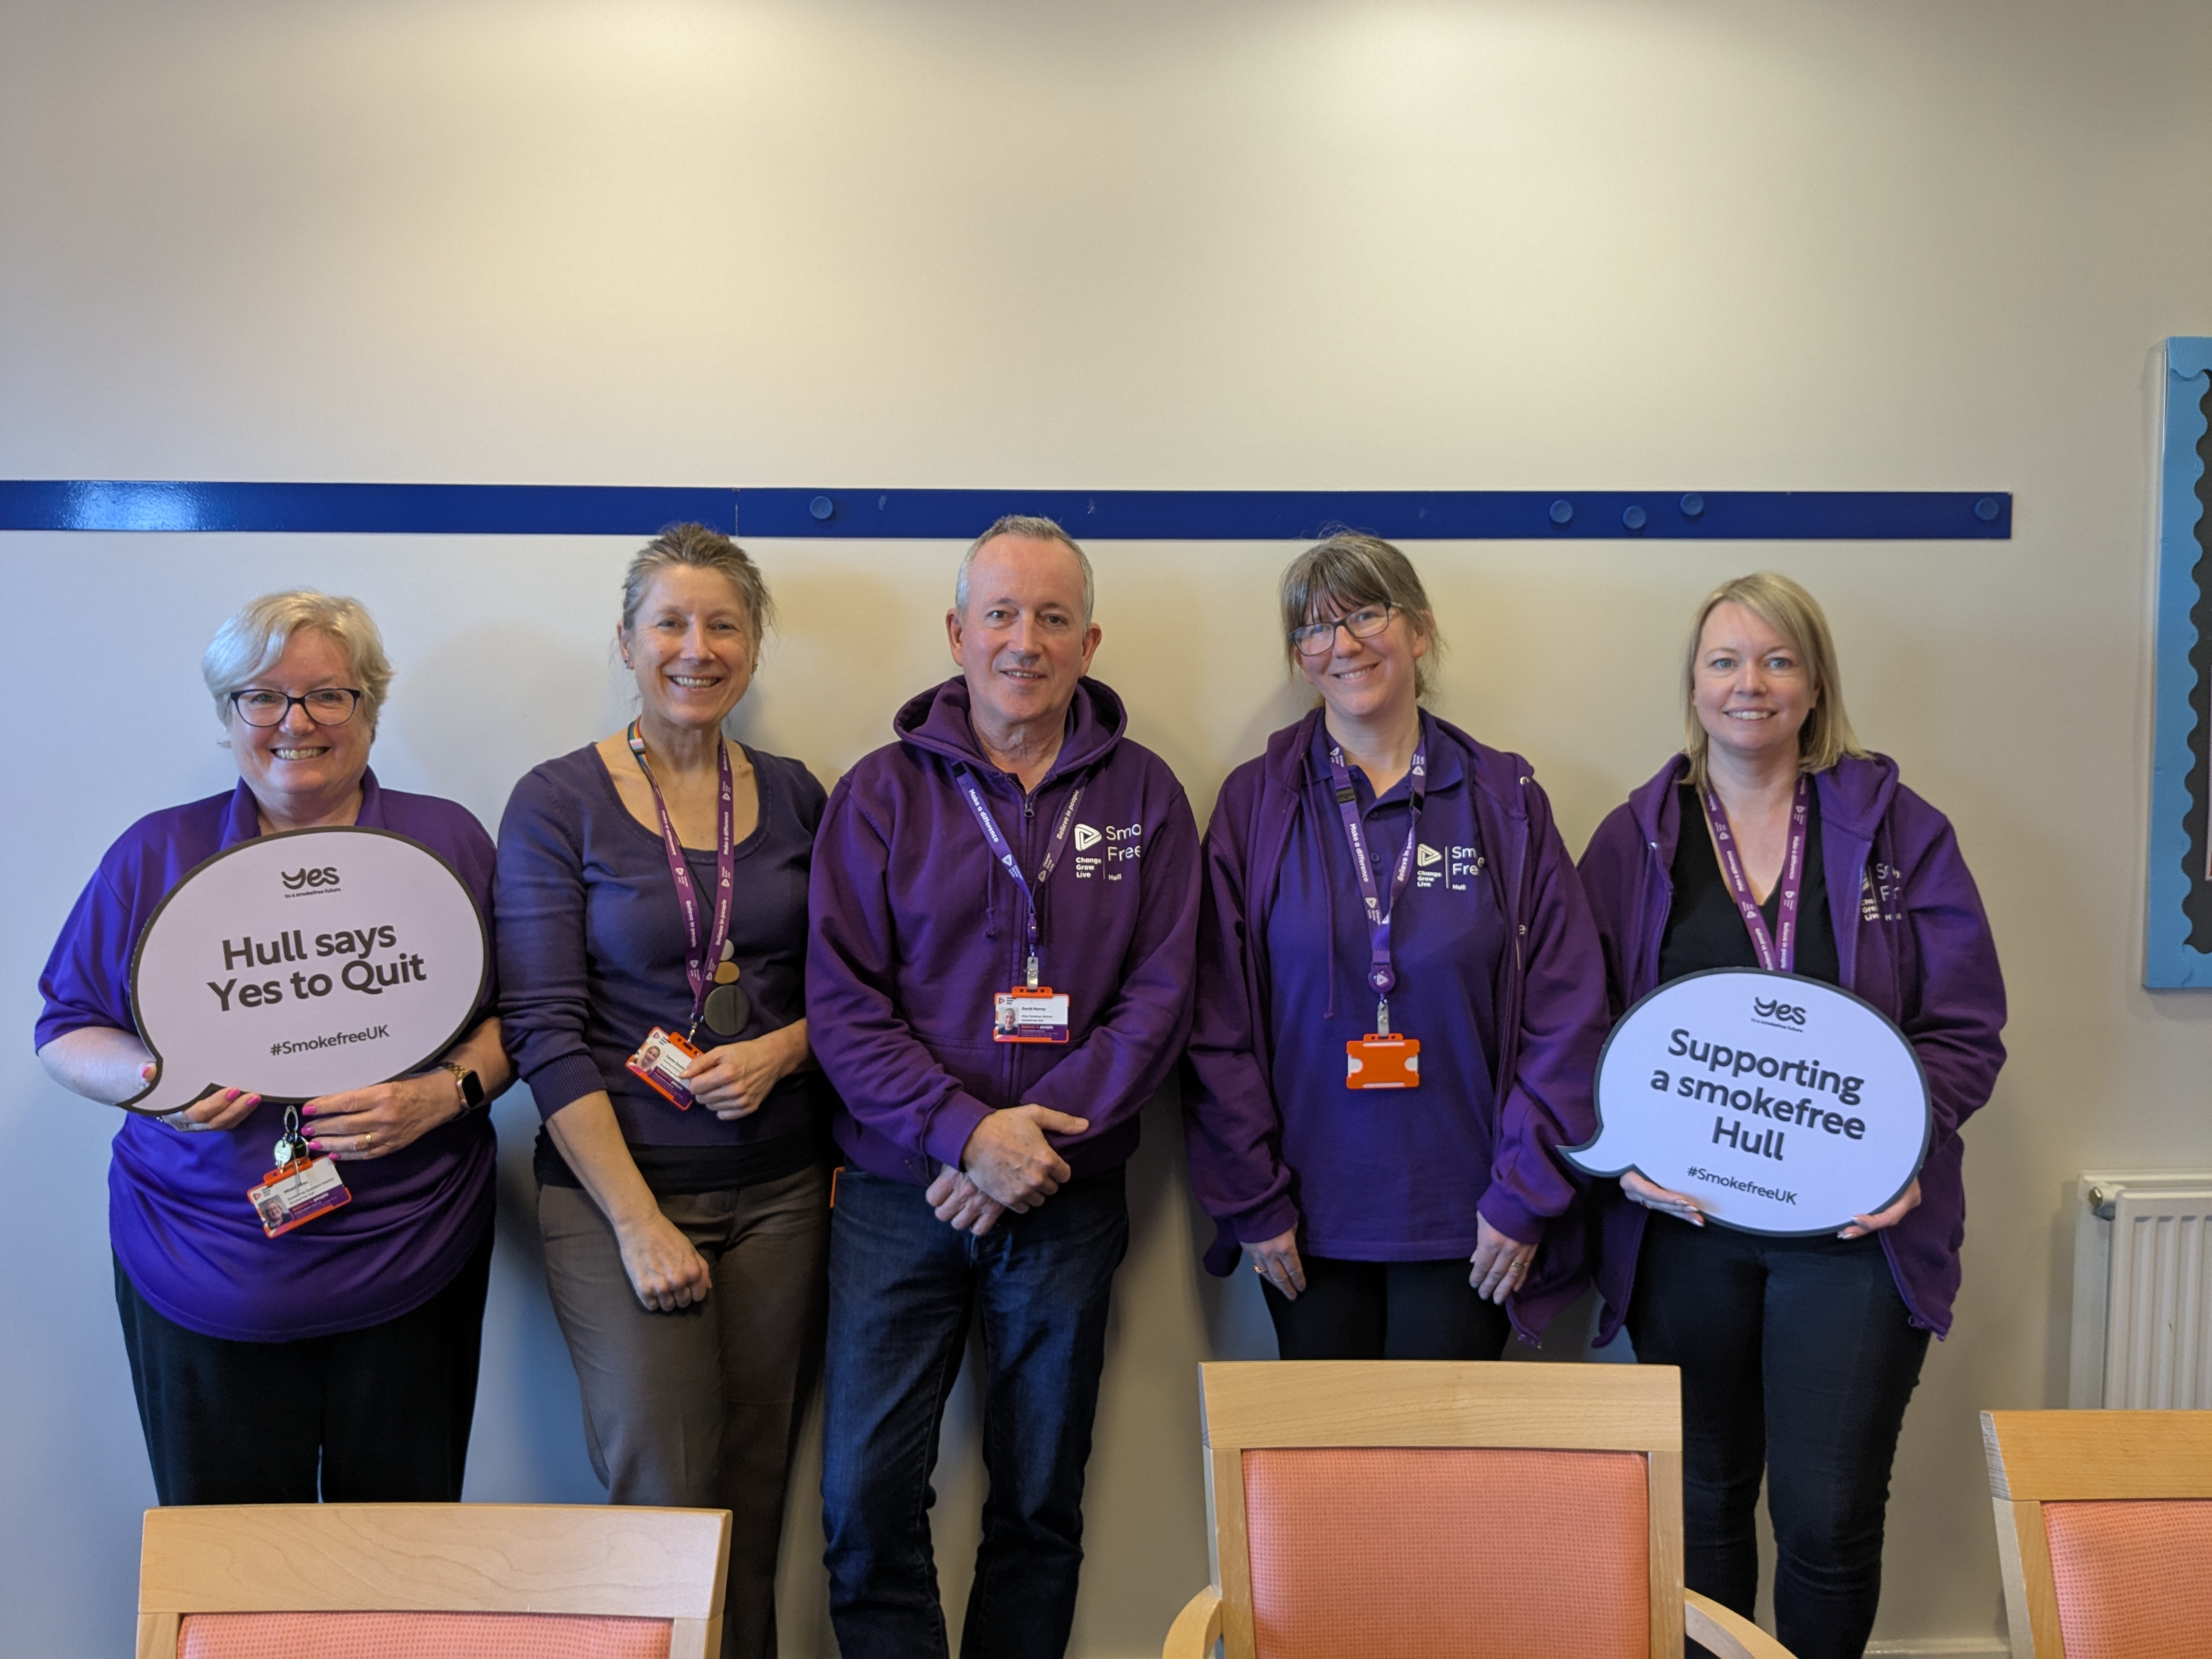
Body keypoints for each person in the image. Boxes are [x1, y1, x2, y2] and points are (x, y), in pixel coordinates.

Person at [1578, 573, 2006, 1659]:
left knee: (1827, 1521)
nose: (1750, 684)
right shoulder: (1636, 840)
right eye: (1725, 661)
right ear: (1693, 684)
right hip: (1686, 1228)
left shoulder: (1903, 832)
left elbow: (1965, 1026)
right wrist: (1621, 1158)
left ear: (1816, 685)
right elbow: (1576, 1023)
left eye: (1777, 661)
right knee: (1705, 1508)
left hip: (1854, 1236)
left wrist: (1909, 1149)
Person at [808, 514, 1200, 1659]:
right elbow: (844, 1004)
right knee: (864, 1500)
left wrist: (1028, 1147)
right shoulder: (880, 794)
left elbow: (1161, 997)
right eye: (1000, 614)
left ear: (1089, 642)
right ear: (956, 633)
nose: (1024, 641)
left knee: (1039, 1507)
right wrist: (967, 1136)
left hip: (1067, 1198)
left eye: (1052, 617)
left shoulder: (1146, 797)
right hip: (899, 1196)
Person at [35, 590, 509, 1505]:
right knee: (230, 1564)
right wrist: (156, 1083)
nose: (296, 723)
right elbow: (66, 1029)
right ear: (228, 714)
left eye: (329, 695)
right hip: (200, 1264)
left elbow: (520, 1016)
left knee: (400, 1559)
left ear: (370, 708)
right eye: (262, 696)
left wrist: (445, 1092)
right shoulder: (154, 853)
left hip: (415, 1258)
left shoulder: (447, 840)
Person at [495, 524, 832, 1659]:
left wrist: (783, 1051)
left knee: (757, 1487)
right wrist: (639, 1224)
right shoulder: (556, 801)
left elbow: (854, 988)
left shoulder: (797, 794)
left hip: (783, 1191)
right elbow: (543, 1030)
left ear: (754, 645)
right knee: (666, 1494)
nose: (698, 648)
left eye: (724, 625)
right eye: (671, 624)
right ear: (628, 641)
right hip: (618, 1193)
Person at [1184, 533, 1610, 1359]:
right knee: (1327, 1448)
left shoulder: (1504, 801)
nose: (1342, 645)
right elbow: (1214, 1024)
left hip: (1474, 1223)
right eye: (1315, 628)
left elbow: (1568, 1017)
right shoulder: (1255, 805)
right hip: (1304, 1223)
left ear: (1420, 630)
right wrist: (1252, 1198)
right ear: (1300, 657)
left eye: (1366, 616)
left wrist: (1523, 1196)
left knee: (1441, 1448)